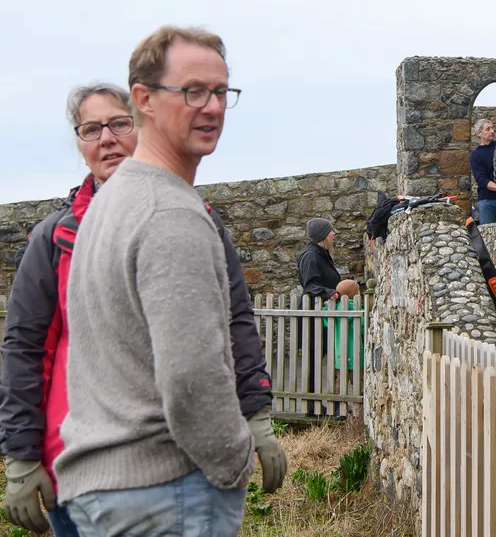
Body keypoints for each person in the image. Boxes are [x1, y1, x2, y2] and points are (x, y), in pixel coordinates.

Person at [0, 82, 284, 536]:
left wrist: (257, 413)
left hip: (178, 461)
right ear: (79, 143)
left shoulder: (197, 220)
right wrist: (20, 455)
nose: (107, 138)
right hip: (73, 464)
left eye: (118, 123)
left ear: (143, 128)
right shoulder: (53, 239)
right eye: (91, 129)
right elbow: (25, 349)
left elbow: (233, 322)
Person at [296, 218, 360, 416]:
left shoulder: (320, 254)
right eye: (331, 232)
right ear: (323, 236)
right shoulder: (310, 256)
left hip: (321, 315)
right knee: (313, 360)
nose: (334, 234)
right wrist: (328, 293)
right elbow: (310, 285)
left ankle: (323, 405)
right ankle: (311, 407)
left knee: (322, 357)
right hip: (312, 317)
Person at [471, 120, 496, 224]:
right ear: (479, 133)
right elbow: (481, 179)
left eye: (492, 128)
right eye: (488, 129)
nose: (492, 131)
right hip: (487, 200)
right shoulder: (476, 155)